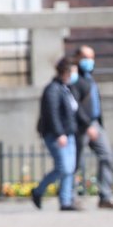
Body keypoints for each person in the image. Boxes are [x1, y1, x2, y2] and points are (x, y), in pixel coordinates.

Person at [70, 45, 113, 210]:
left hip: (95, 124)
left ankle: (105, 196)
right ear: (77, 58)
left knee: (107, 156)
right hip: (81, 126)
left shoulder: (90, 78)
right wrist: (86, 125)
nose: (89, 61)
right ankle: (70, 197)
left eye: (91, 57)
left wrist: (96, 123)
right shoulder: (74, 78)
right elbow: (74, 105)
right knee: (75, 163)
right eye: (85, 57)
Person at [32, 57, 80, 211]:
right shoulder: (52, 89)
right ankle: (38, 191)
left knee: (70, 169)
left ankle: (65, 201)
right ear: (65, 72)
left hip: (69, 133)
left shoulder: (66, 88)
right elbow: (52, 113)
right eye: (72, 71)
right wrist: (60, 133)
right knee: (63, 167)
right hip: (56, 135)